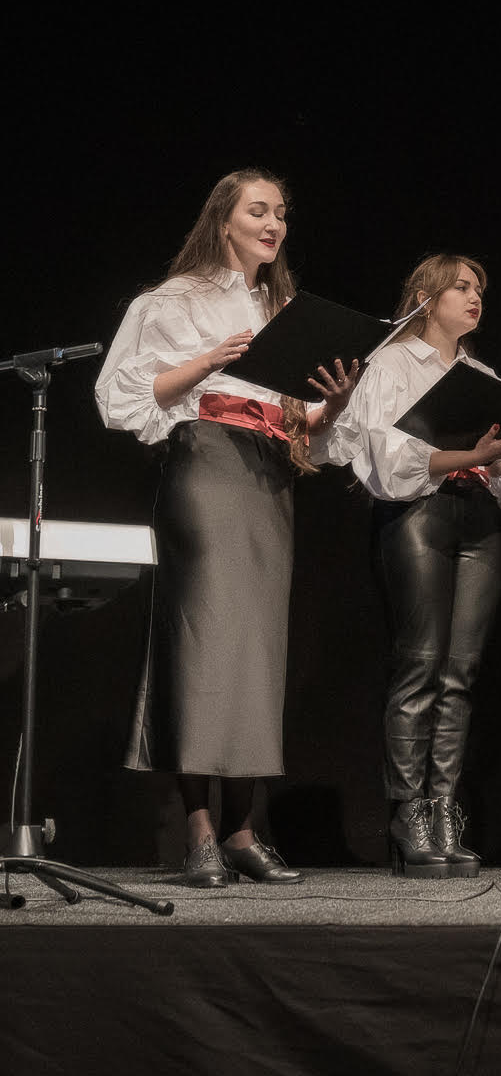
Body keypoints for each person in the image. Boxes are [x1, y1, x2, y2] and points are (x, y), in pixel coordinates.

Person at [95, 168, 358, 887]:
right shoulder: (172, 300)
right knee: (201, 641)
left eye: (281, 212)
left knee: (254, 649)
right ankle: (200, 831)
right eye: (259, 210)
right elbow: (122, 396)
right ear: (225, 220)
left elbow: (304, 424)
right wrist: (203, 362)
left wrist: (332, 405)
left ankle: (243, 828)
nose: (274, 223)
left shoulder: (283, 309)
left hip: (268, 472)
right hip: (206, 466)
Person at [324, 254, 501, 877]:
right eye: (461, 286)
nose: (475, 297)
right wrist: (463, 453)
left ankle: (446, 807)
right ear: (425, 297)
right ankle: (407, 813)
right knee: (420, 663)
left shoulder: (480, 372)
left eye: (479, 287)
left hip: (479, 517)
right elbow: (386, 460)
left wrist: (496, 458)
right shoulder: (391, 363)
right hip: (419, 514)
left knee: (462, 671)